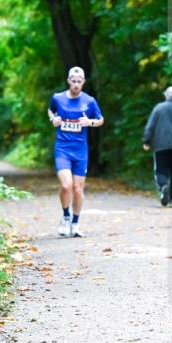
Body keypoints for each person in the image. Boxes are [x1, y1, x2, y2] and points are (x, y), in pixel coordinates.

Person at [48, 66, 104, 237]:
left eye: (80, 81)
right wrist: (54, 119)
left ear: (84, 82)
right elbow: (51, 110)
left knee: (78, 189)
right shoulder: (58, 98)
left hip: (80, 150)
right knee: (66, 185)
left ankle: (75, 223)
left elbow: (101, 119)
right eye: (74, 81)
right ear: (68, 81)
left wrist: (90, 123)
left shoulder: (89, 101)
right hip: (62, 148)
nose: (76, 84)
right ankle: (65, 216)